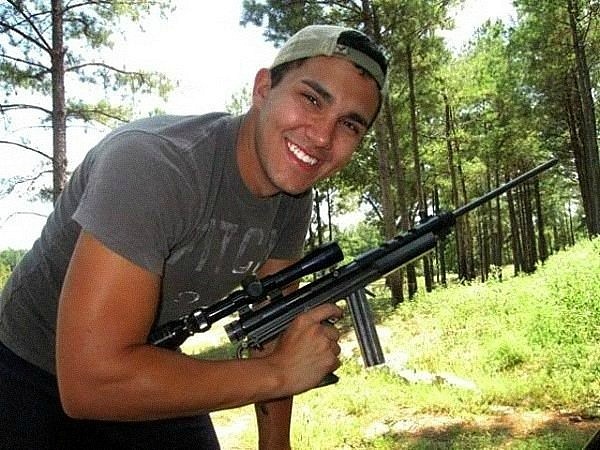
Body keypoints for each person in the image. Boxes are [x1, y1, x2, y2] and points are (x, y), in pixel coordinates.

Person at [0, 24, 388, 449]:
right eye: (312, 99)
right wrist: (277, 373)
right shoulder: (153, 165)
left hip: (147, 360)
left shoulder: (291, 197)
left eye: (350, 125)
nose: (322, 137)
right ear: (263, 89)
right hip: (25, 369)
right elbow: (91, 383)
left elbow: (274, 326)